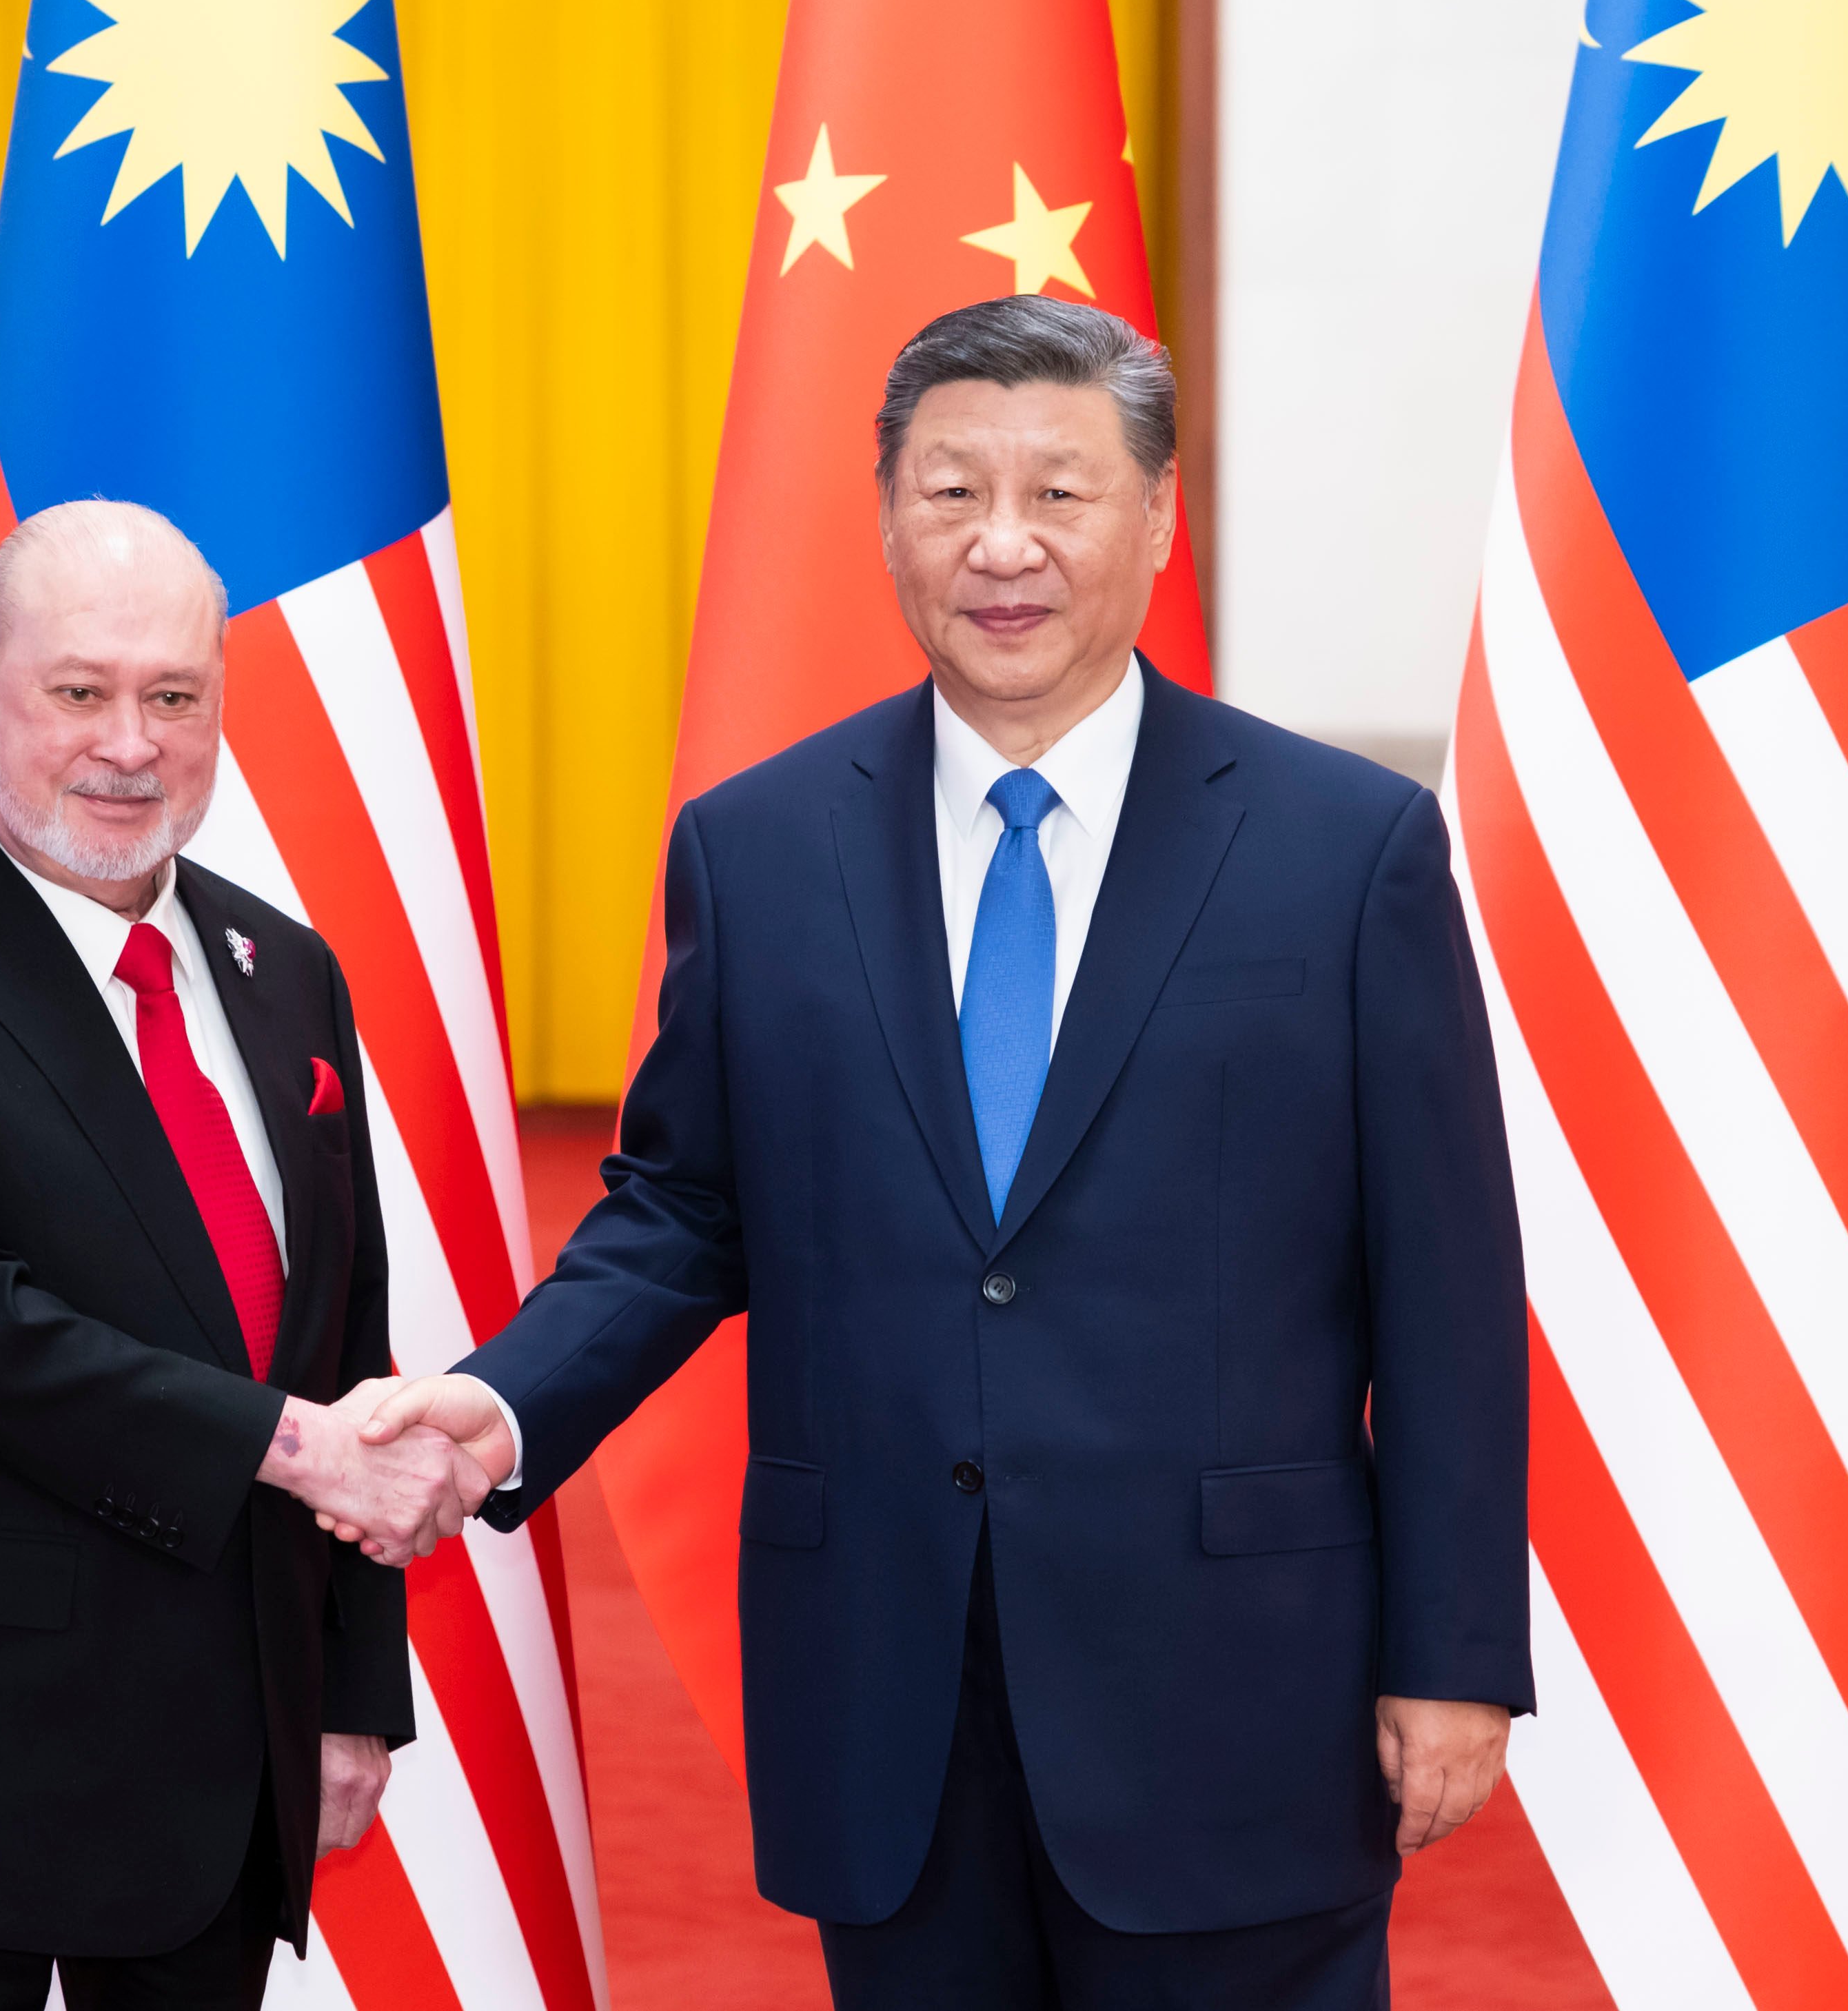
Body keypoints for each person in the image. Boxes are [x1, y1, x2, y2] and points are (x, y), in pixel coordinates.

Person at [352, 297, 1532, 2008]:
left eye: (1059, 493)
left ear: (1155, 515)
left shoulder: (1343, 854)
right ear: (886, 515)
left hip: (1233, 1697)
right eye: (948, 491)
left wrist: (1451, 1653)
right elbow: (685, 1211)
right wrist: (505, 1397)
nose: (1001, 545)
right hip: (888, 1694)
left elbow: (1445, 1290)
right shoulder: (755, 850)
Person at [0, 500, 484, 2010]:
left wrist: (347, 1697)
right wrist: (296, 1452)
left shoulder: (285, 970)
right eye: (77, 691)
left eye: (173, 696)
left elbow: (343, 1340)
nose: (129, 744)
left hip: (219, 1770)